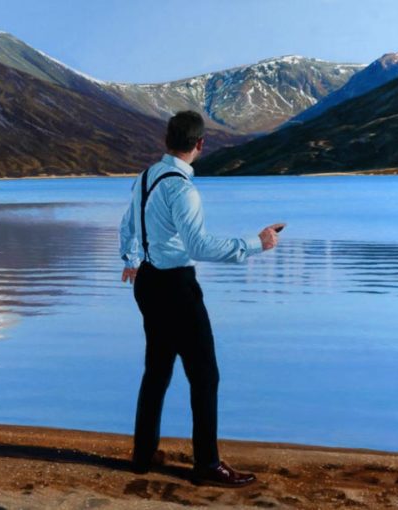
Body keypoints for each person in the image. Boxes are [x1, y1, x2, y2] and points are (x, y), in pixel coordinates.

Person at [119, 110, 284, 487]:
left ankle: (142, 457)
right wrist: (256, 244)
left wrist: (131, 260)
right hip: (176, 286)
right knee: (205, 377)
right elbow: (199, 245)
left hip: (147, 284)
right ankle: (207, 465)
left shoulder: (144, 178)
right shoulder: (182, 189)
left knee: (157, 371)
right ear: (200, 145)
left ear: (166, 139)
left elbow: (127, 224)